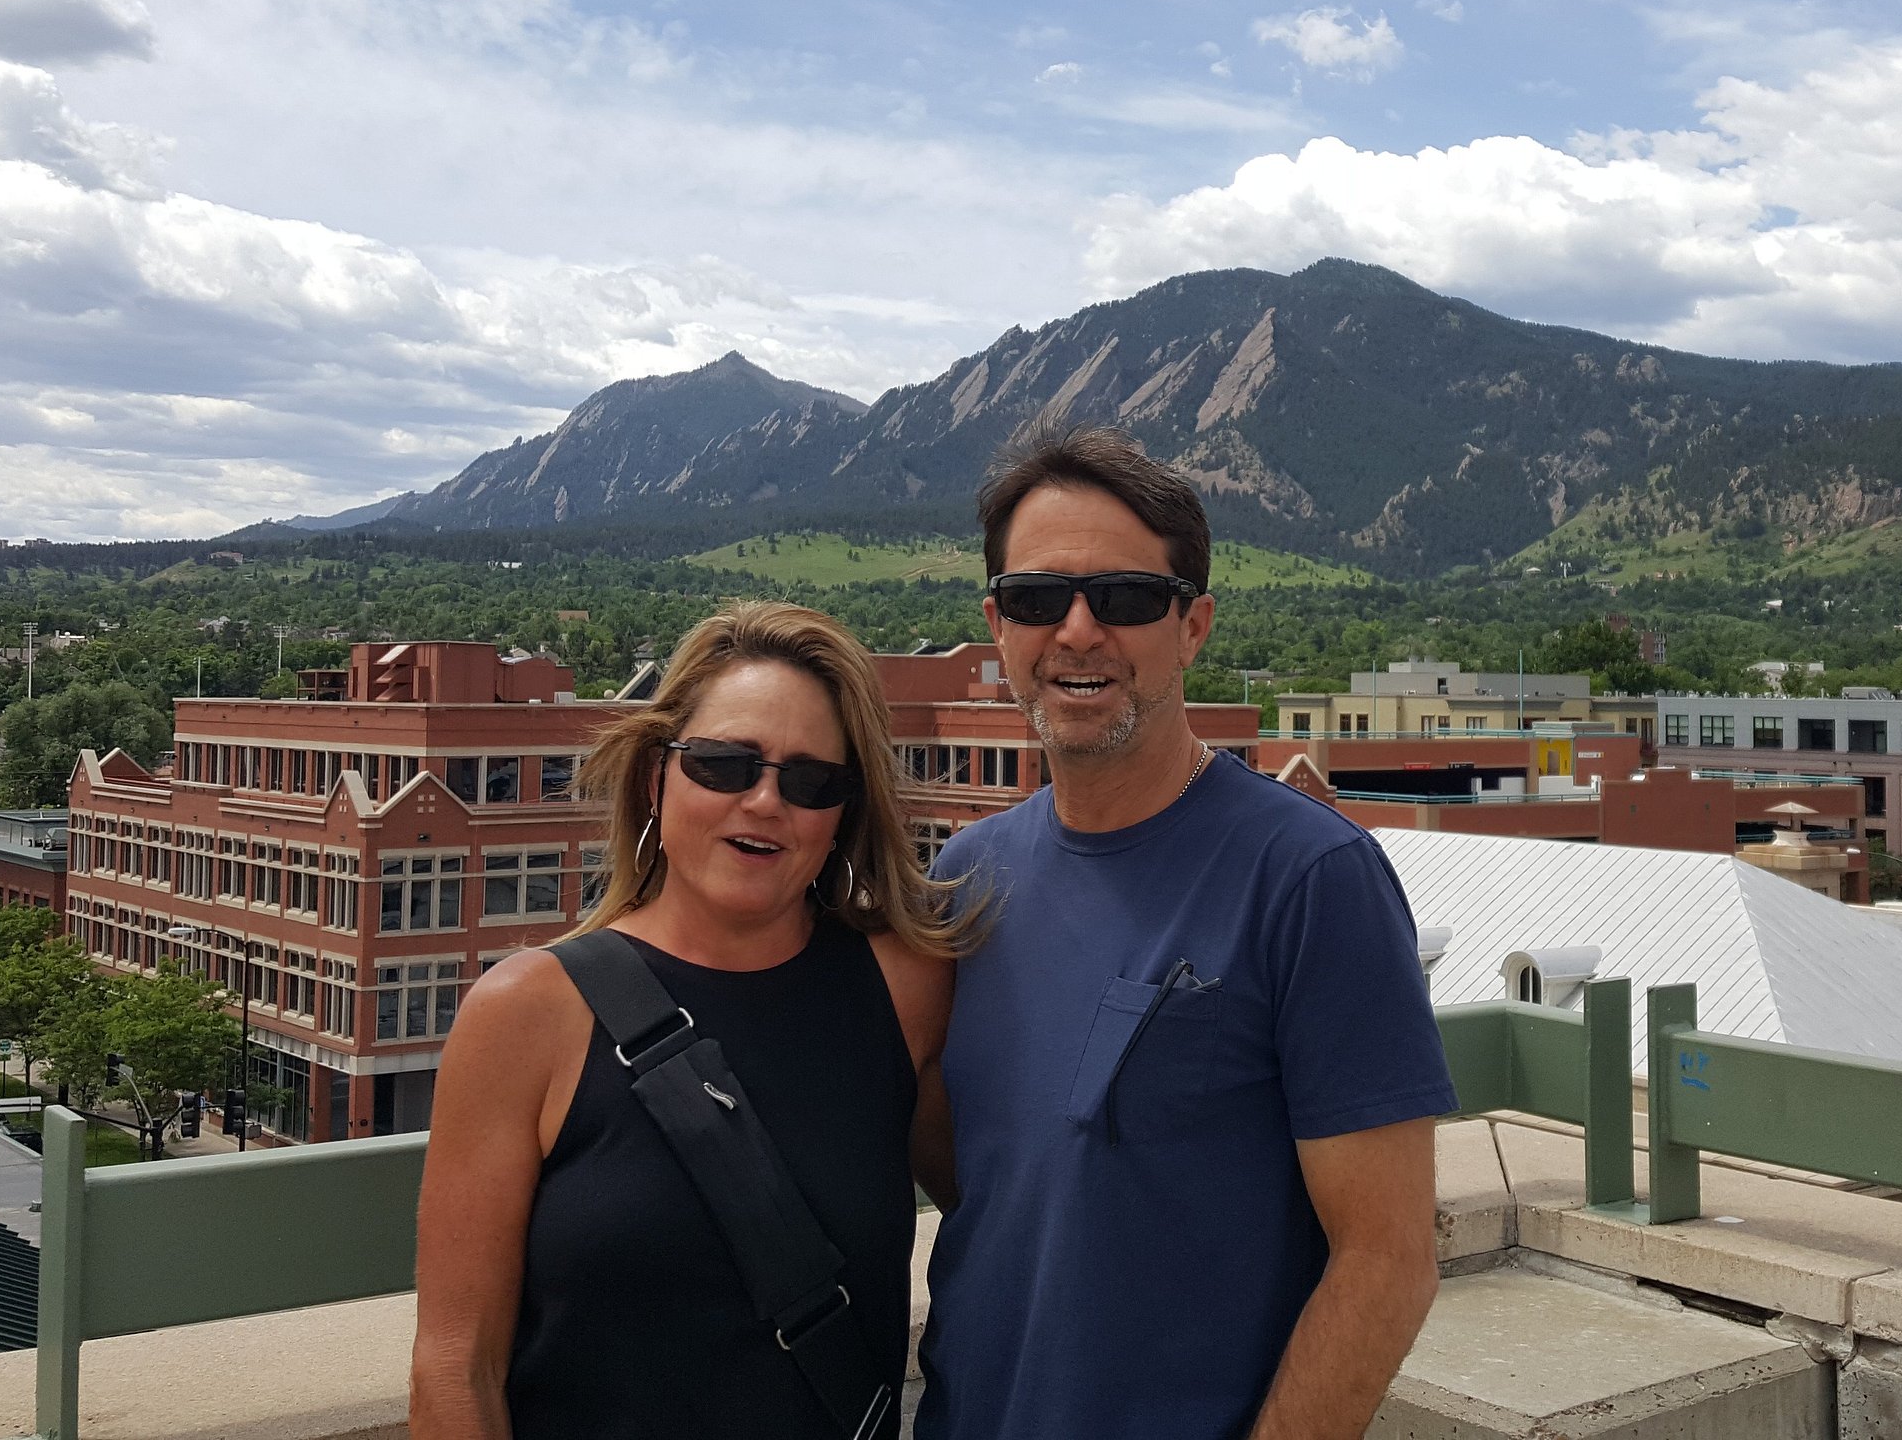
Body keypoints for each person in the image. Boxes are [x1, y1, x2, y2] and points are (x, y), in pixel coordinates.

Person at [915, 423, 1457, 1440]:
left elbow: (1388, 1262)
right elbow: (994, 1179)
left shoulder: (1310, 881)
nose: (1077, 631)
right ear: (998, 626)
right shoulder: (965, 878)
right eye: (1038, 598)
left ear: (1192, 628)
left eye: (1123, 598)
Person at [410, 601, 967, 1440]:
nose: (767, 801)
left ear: (843, 817)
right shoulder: (526, 1017)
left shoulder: (902, 989)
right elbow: (457, 1367)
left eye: (813, 781)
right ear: (652, 778)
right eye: (724, 765)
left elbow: (1017, 1211)